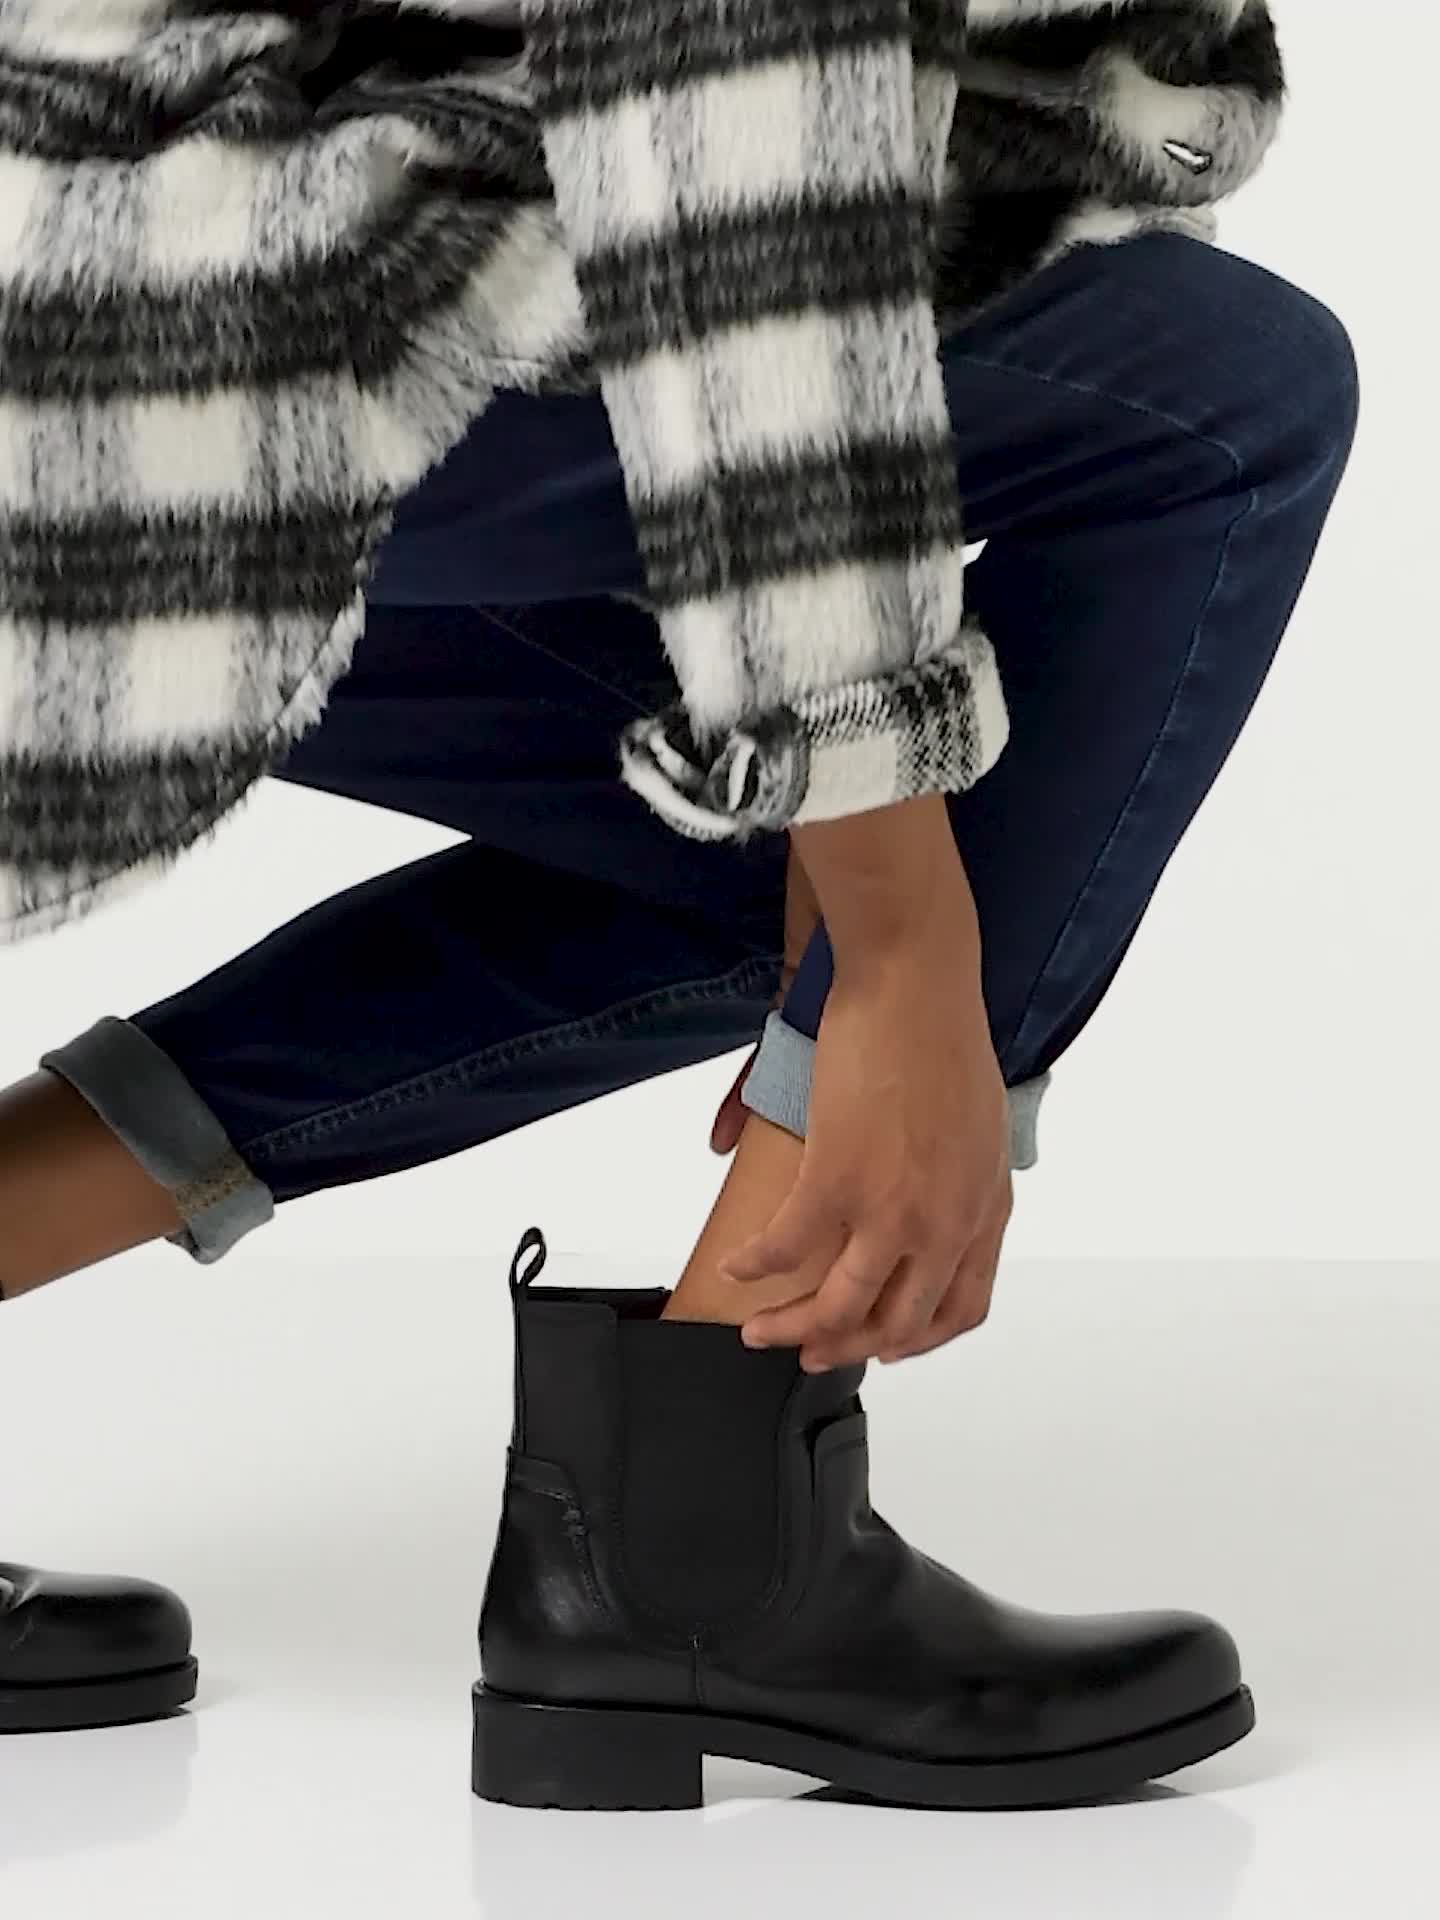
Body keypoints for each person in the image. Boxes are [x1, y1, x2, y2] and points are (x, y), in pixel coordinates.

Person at [0, 0, 1356, 1800]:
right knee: (1224, 400)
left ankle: (680, 1548)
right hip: (202, 337)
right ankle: (699, 1554)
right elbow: (734, 168)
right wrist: (897, 944)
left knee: (817, 854)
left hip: (111, 302)